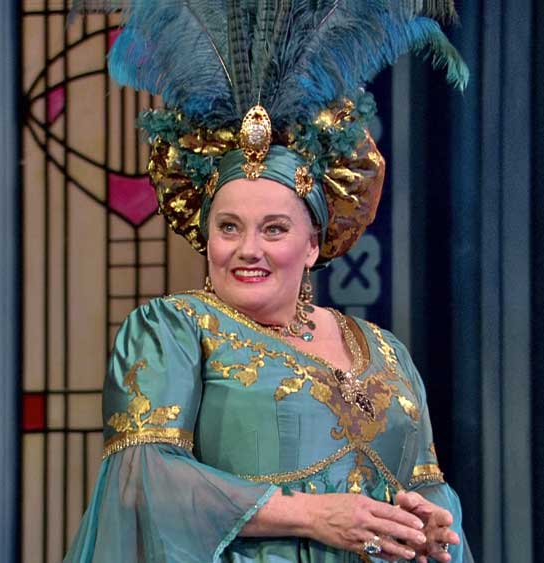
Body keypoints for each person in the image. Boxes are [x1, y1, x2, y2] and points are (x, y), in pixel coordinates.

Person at [66, 2, 474, 561]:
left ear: (312, 245)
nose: (248, 249)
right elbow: (144, 478)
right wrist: (314, 516)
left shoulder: (386, 351)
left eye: (274, 229)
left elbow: (426, 482)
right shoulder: (173, 329)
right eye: (228, 227)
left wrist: (430, 524)